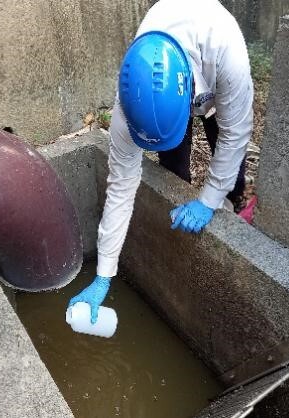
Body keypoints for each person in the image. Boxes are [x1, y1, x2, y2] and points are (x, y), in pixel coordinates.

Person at [69, 0, 253, 323]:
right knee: (174, 170)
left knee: (228, 164)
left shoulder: (226, 51)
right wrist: (104, 273)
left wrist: (210, 199)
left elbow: (236, 134)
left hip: (208, 72)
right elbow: (121, 186)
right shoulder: (132, 99)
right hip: (168, 99)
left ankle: (234, 203)